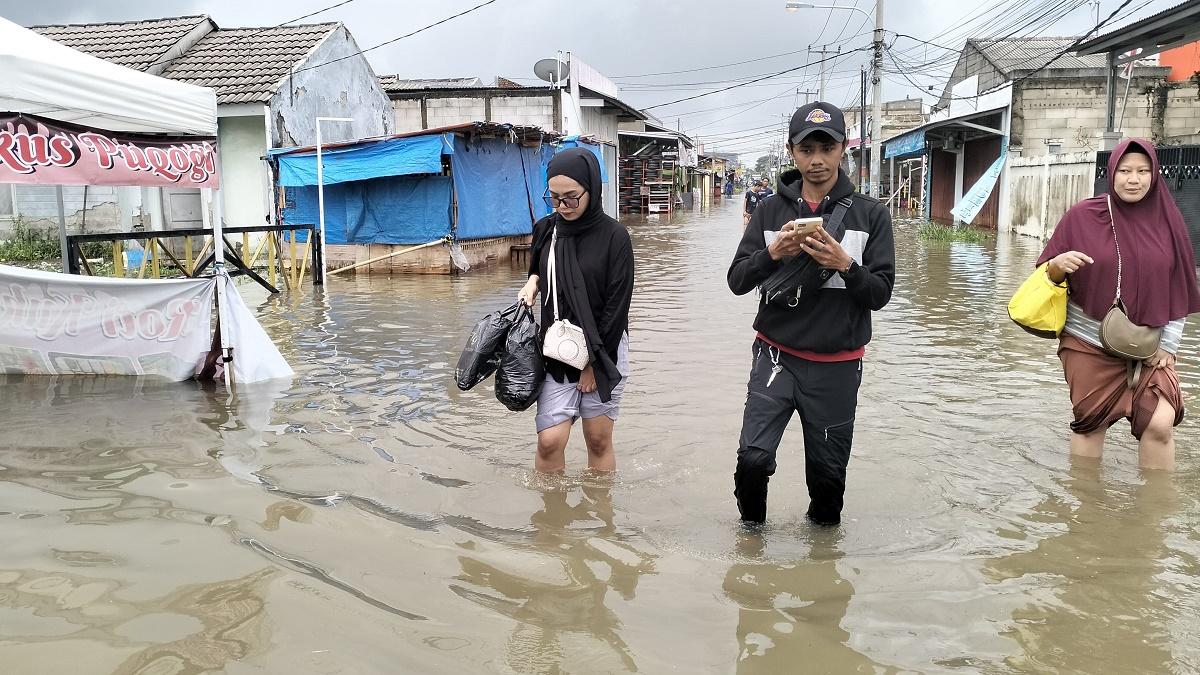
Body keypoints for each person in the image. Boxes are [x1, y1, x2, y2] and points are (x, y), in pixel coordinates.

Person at [727, 101, 895, 526]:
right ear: (792, 152)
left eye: (827, 147)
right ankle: (751, 550)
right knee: (752, 459)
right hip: (775, 357)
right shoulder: (768, 211)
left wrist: (845, 265)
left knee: (827, 482)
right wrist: (771, 253)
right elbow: (737, 281)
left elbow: (880, 294)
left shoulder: (871, 215)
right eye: (806, 150)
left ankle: (820, 572)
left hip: (837, 366)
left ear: (843, 149)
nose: (817, 160)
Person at [1036, 138, 1200, 470]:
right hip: (1087, 341)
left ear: (1155, 174)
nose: (1133, 179)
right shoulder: (1084, 215)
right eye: (1125, 170)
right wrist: (1056, 266)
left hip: (1150, 345)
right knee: (1090, 423)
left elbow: (1180, 287)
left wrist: (1169, 345)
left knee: (1160, 422)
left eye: (1143, 170)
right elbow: (1046, 275)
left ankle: (1153, 515)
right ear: (1111, 173)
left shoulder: (1170, 223)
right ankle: (1086, 509)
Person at [517, 149, 635, 473]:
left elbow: (617, 309)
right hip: (556, 347)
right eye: (554, 198)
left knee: (597, 439)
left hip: (604, 347)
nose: (561, 206)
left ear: (592, 190)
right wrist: (532, 283)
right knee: (549, 440)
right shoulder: (545, 230)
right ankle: (551, 520)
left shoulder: (615, 238)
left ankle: (601, 516)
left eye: (571, 197)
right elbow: (537, 269)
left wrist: (593, 365)